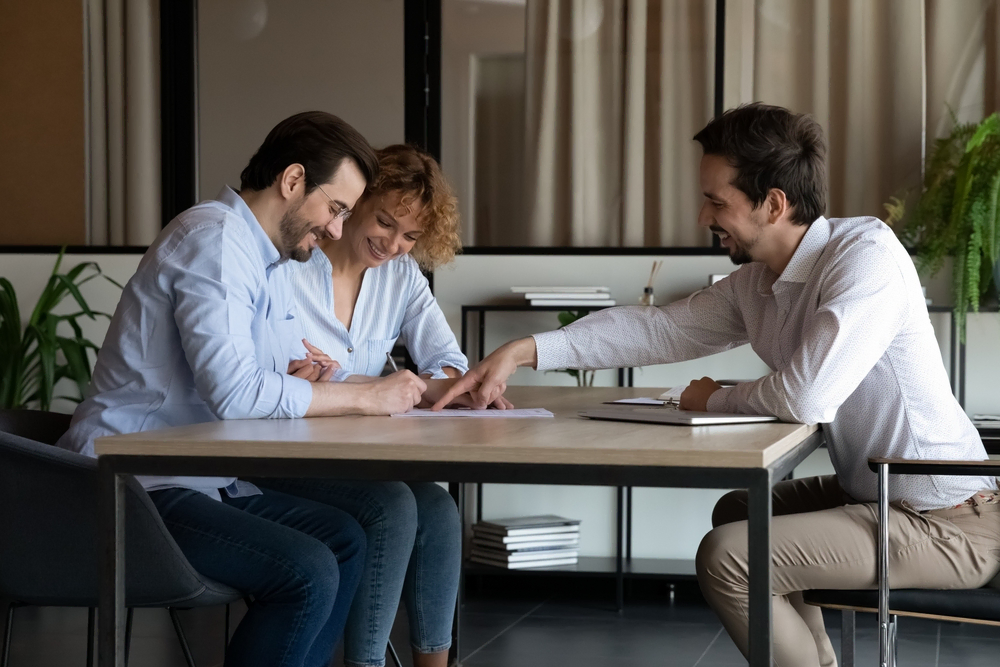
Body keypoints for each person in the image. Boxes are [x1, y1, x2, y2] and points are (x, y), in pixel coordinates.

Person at [432, 103, 1000, 667]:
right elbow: (662, 330)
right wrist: (524, 351)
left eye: (716, 200)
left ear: (773, 204)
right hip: (875, 492)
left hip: (947, 518)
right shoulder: (757, 283)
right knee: (738, 511)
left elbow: (807, 396)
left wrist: (713, 397)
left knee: (731, 557)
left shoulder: (864, 257)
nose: (704, 215)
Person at [58, 111, 429, 667]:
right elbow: (237, 393)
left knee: (346, 540)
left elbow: (274, 375)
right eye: (336, 209)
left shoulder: (271, 261)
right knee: (308, 570)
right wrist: (367, 395)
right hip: (133, 484)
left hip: (199, 478)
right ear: (292, 180)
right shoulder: (213, 240)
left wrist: (307, 379)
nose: (335, 230)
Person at [261, 144, 504, 667]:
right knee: (393, 505)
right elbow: (286, 371)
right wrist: (380, 385)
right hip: (286, 455)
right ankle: (366, 663)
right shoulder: (292, 262)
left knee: (438, 508)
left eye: (411, 235)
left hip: (358, 454)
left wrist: (438, 383)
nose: (394, 244)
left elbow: (446, 361)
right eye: (385, 222)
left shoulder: (400, 277)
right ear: (354, 203)